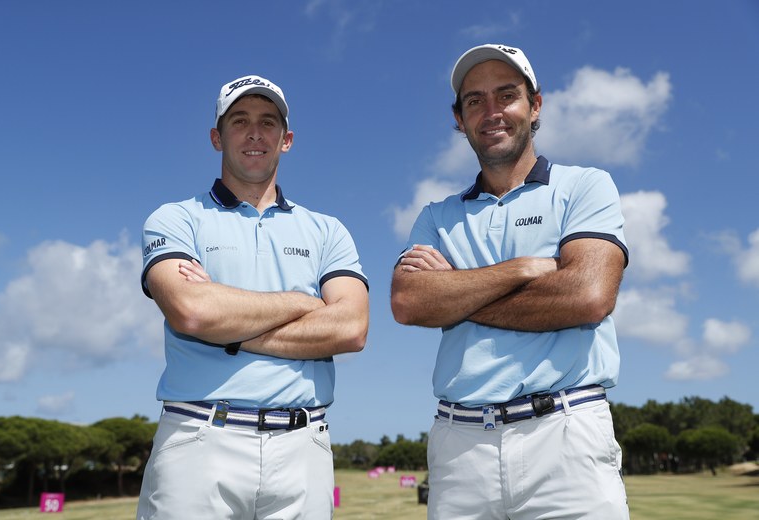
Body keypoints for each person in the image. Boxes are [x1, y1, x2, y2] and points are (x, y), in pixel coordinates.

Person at [391, 44, 630, 519]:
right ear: (459, 118)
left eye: (506, 95)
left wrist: (456, 293)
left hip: (566, 434)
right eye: (474, 101)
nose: (491, 111)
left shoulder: (585, 186)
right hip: (460, 445)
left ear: (535, 105)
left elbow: (587, 296)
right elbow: (409, 302)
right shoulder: (436, 215)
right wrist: (520, 270)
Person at [137, 75, 369, 519]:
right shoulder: (174, 219)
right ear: (216, 137)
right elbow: (192, 312)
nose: (255, 133)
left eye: (268, 122)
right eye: (239, 121)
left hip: (304, 445)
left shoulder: (328, 230)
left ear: (287, 140)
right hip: (199, 438)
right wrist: (305, 303)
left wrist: (227, 328)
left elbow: (351, 328)